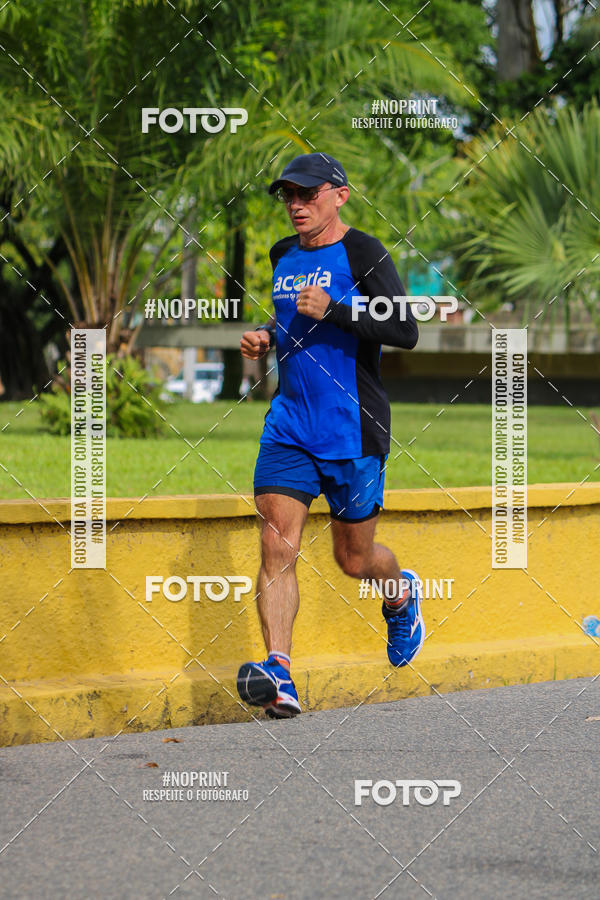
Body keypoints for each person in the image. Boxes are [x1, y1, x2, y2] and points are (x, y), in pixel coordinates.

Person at [236, 152, 422, 719]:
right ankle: (280, 673)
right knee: (277, 545)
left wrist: (337, 309)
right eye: (288, 195)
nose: (296, 204)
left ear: (339, 195)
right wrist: (266, 335)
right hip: (290, 425)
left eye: (308, 193)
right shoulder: (282, 255)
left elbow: (405, 329)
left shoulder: (364, 252)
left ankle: (400, 595)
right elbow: (289, 318)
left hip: (352, 429)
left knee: (355, 559)